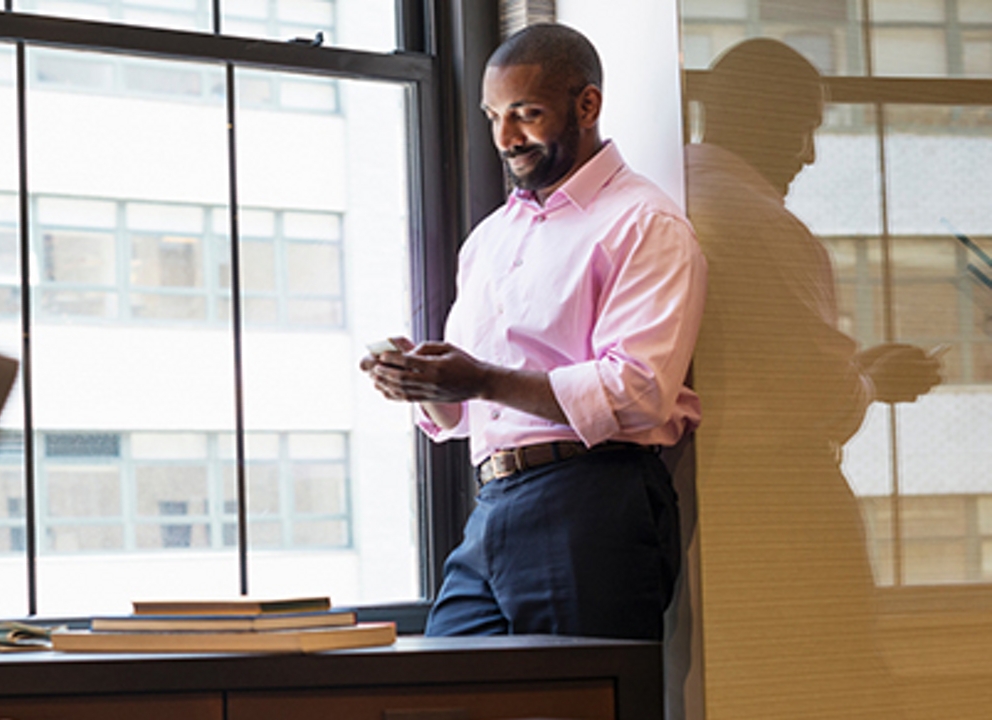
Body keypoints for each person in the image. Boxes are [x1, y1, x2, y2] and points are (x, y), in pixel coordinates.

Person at [362, 23, 707, 641]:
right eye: (494, 115)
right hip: (492, 506)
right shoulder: (491, 239)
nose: (504, 138)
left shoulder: (644, 222)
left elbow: (638, 390)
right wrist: (426, 385)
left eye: (526, 114)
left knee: (579, 703)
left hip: (592, 501)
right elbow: (472, 413)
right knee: (447, 693)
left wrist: (482, 379)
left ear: (587, 105)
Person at [687, 38, 940, 720]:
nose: (809, 154)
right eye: (806, 128)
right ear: (766, 119)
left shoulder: (657, 201)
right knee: (833, 687)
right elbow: (815, 397)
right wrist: (866, 384)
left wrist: (856, 371)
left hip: (689, 500)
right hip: (778, 505)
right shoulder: (757, 222)